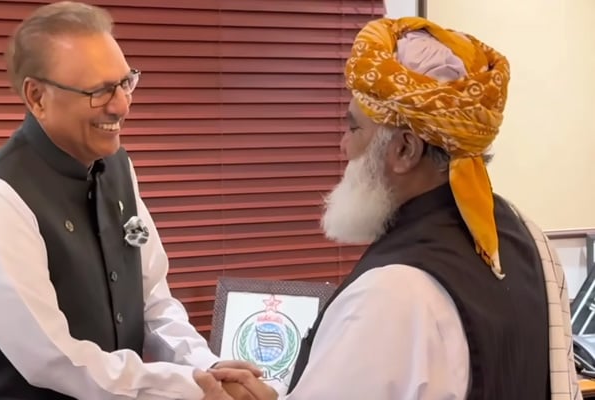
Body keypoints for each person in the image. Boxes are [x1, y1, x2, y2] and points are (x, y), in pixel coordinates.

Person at [209, 16, 583, 400]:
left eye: (354, 129)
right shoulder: (529, 237)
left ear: (404, 149)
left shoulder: (391, 294)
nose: (343, 146)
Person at [0, 2, 258, 399]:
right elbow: (51, 358)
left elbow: (153, 302)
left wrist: (204, 366)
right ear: (37, 97)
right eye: (98, 91)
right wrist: (189, 390)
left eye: (125, 82)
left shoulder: (117, 167)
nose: (122, 105)